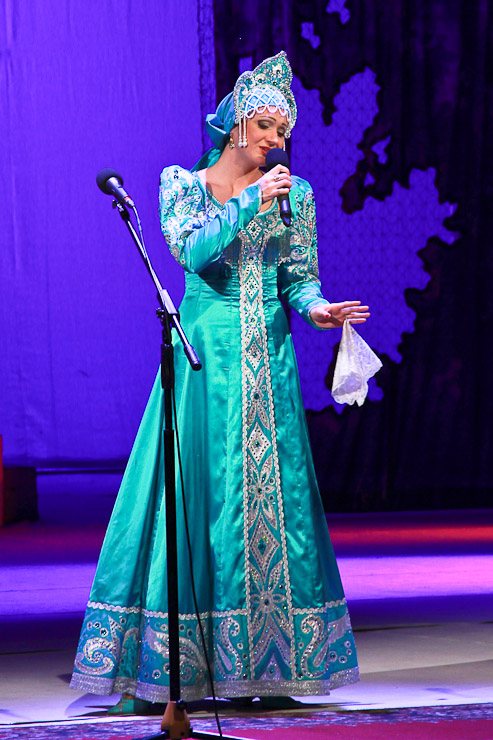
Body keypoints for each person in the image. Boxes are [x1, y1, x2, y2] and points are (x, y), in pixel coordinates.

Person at [70, 51, 367, 712]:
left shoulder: (297, 194)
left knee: (271, 506)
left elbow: (298, 278)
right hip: (206, 358)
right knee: (197, 500)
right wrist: (250, 201)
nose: (274, 140)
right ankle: (183, 669)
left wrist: (317, 308)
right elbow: (192, 251)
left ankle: (269, 667)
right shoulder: (184, 184)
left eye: (281, 130)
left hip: (269, 364)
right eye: (264, 125)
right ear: (235, 124)